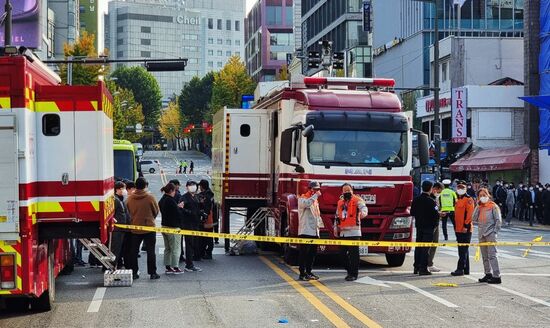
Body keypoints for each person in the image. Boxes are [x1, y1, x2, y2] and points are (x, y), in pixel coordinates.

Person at [126, 177, 160, 280]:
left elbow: (127, 212)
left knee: (134, 252)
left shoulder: (130, 198)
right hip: (149, 228)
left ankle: (134, 272)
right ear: (145, 186)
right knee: (151, 251)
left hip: (135, 228)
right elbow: (156, 211)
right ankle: (152, 273)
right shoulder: (150, 197)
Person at [334, 183, 368, 281]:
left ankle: (354, 274)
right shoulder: (340, 202)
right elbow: (337, 216)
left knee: (354, 255)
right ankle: (349, 270)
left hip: (354, 232)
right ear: (342, 192)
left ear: (352, 190)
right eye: (345, 191)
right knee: (342, 254)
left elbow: (364, 208)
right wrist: (336, 228)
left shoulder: (357, 200)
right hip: (343, 232)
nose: (347, 192)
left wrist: (363, 213)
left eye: (349, 190)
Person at [472, 188, 502, 284]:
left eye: (484, 195)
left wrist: (494, 232)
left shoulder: (493, 206)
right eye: (480, 195)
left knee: (492, 255)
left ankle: (496, 276)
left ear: (488, 195)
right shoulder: (480, 207)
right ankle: (487, 273)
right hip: (481, 233)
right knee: (484, 256)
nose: (482, 197)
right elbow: (473, 218)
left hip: (490, 233)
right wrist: (477, 206)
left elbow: (498, 220)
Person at [411, 180, 440, 276]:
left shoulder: (416, 199)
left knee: (418, 247)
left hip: (419, 226)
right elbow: (436, 215)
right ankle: (423, 268)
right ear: (431, 189)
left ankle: (416, 266)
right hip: (429, 227)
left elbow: (412, 212)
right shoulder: (431, 201)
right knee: (425, 248)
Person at [297, 181, 322, 281]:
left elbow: (317, 215)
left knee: (312, 254)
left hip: (314, 231)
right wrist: (315, 196)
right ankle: (302, 273)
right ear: (309, 189)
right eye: (315, 189)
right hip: (306, 231)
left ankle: (309, 272)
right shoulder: (303, 198)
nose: (317, 191)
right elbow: (306, 205)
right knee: (304, 253)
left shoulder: (315, 201)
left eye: (318, 189)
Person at [159, 183, 184, 275]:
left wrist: (177, 207)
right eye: (174, 191)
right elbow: (177, 214)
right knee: (176, 248)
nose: (175, 193)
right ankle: (176, 267)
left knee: (168, 248)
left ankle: (168, 266)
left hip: (164, 226)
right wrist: (180, 207)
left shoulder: (162, 200)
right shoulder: (171, 200)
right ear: (171, 191)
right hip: (173, 227)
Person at [451, 181, 475, 276]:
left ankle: (460, 268)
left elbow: (469, 215)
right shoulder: (457, 199)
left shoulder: (468, 199)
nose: (460, 190)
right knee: (463, 249)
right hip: (458, 228)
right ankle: (466, 269)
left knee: (463, 250)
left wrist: (466, 226)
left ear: (465, 189)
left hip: (465, 228)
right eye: (458, 188)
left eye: (462, 188)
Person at [179, 180, 202, 272]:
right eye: (191, 185)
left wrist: (200, 213)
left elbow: (197, 208)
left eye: (194, 185)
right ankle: (189, 264)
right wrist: (190, 213)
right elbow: (180, 209)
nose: (193, 187)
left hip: (195, 223)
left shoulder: (196, 196)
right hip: (187, 224)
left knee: (193, 244)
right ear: (187, 187)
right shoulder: (184, 197)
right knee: (189, 244)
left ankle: (190, 263)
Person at [111, 181, 130, 269]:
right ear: (117, 189)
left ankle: (117, 264)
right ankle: (112, 266)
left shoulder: (120, 199)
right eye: (123, 188)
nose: (125, 190)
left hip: (122, 228)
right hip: (118, 229)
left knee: (120, 249)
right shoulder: (116, 200)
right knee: (116, 249)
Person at [427, 182, 444, 273]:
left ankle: (430, 263)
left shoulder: (436, 198)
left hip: (436, 223)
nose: (438, 193)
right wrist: (439, 213)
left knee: (434, 243)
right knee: (429, 244)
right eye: (438, 191)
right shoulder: (430, 199)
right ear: (434, 189)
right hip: (430, 224)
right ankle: (427, 264)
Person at [198, 180, 215, 260]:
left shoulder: (205, 196)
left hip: (206, 218)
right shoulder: (210, 194)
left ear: (202, 186)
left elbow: (205, 208)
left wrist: (203, 217)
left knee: (205, 237)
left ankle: (206, 252)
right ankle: (208, 252)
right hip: (210, 218)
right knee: (209, 237)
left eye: (200, 186)